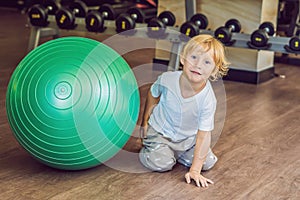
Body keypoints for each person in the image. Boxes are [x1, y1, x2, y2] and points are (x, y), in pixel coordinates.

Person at [138, 34, 229, 188]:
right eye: (194, 57)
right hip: (160, 132)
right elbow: (153, 94)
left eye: (207, 62)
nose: (198, 65)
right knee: (162, 164)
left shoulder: (208, 100)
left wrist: (195, 170)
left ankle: (177, 153)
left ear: (214, 71)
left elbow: (203, 135)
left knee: (207, 163)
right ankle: (151, 150)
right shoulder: (167, 79)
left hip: (187, 139)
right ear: (183, 59)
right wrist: (145, 122)